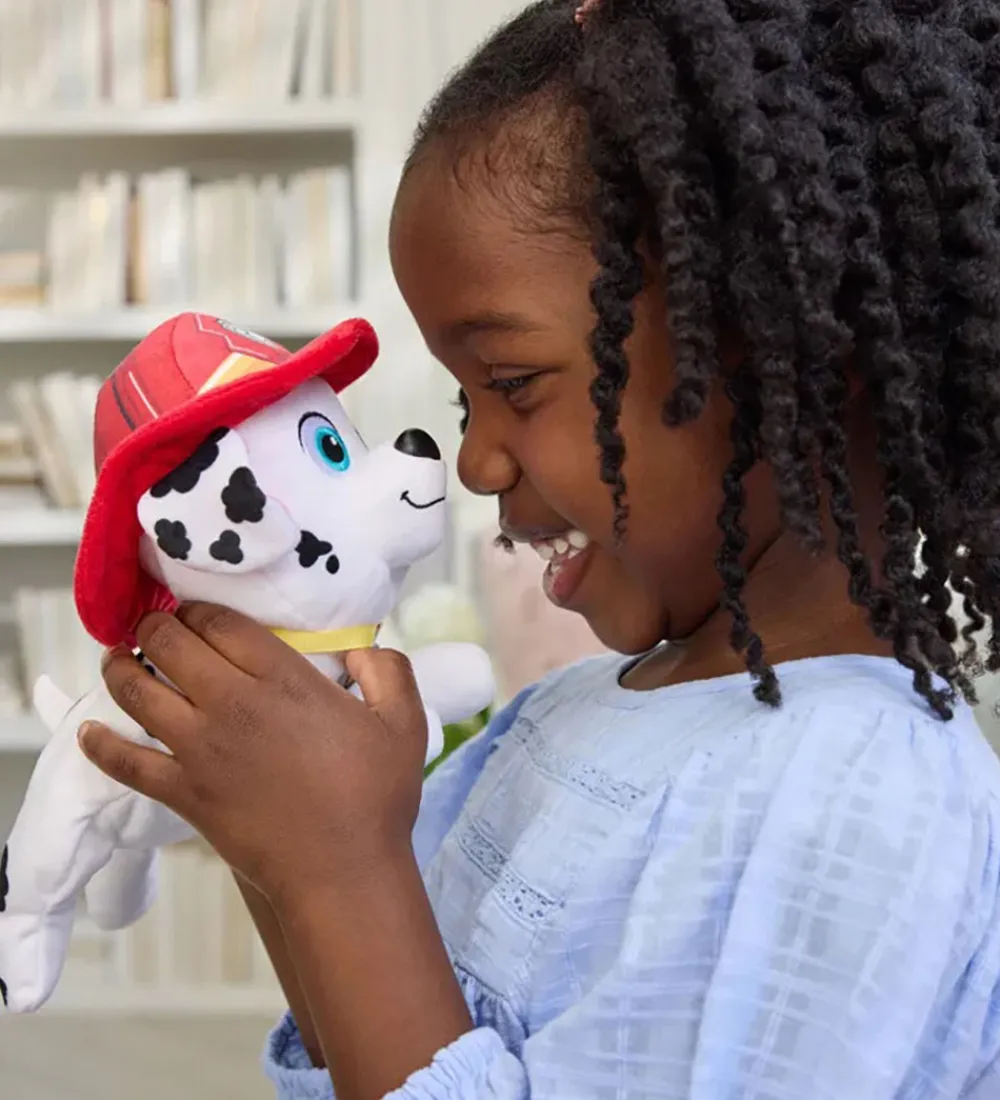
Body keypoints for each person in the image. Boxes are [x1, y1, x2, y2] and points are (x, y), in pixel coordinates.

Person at [77, 0, 1000, 1097]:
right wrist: (279, 834)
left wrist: (336, 870)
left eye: (511, 384)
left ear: (790, 352)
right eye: (465, 402)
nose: (473, 462)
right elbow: (379, 1039)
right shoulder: (562, 713)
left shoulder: (868, 797)